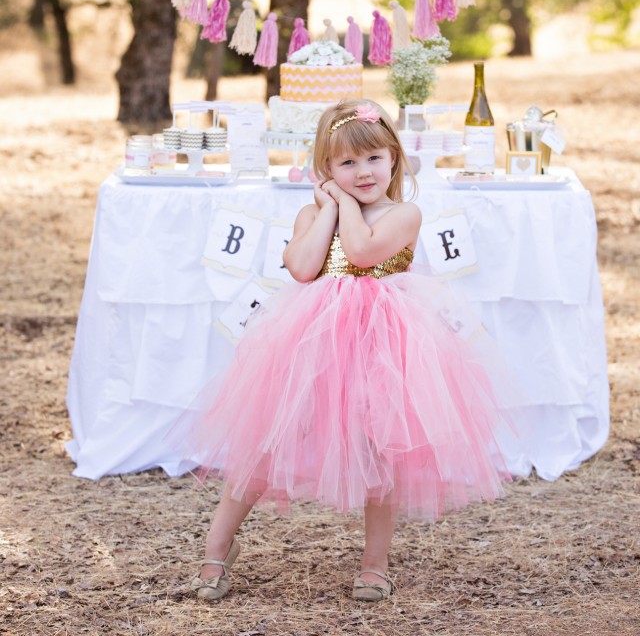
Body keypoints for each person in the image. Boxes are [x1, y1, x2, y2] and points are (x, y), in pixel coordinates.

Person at [176, 98, 513, 604]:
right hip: (311, 339)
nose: (363, 172)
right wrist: (328, 207)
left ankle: (374, 564)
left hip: (384, 340)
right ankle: (217, 548)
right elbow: (302, 267)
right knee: (266, 439)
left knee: (381, 447)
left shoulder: (406, 213)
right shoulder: (313, 211)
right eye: (347, 164)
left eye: (374, 158)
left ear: (395, 158)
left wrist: (345, 205)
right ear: (326, 170)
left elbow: (360, 252)